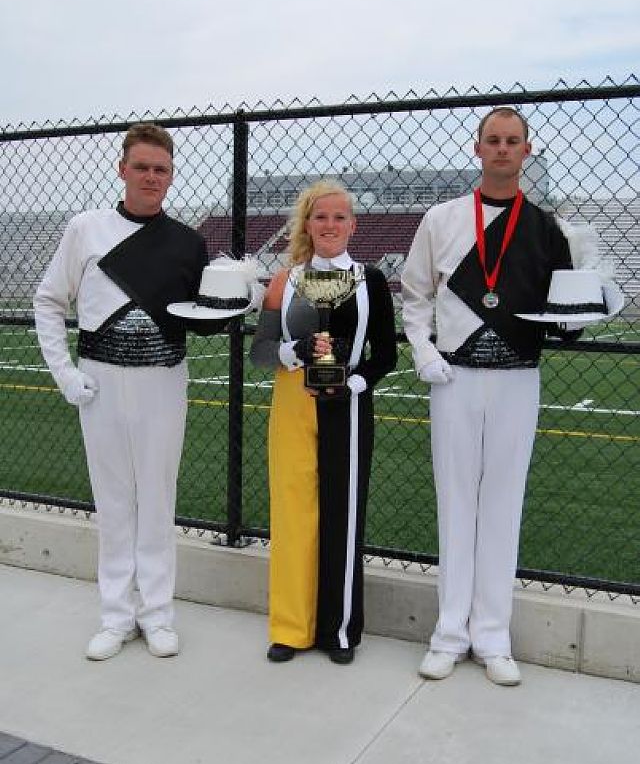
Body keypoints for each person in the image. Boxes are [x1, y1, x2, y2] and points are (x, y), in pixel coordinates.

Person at [34, 123, 232, 661]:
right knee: (114, 500)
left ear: (171, 176)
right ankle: (116, 617)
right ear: (123, 169)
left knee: (158, 499)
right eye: (141, 167)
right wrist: (65, 374)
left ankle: (158, 614)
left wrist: (240, 295)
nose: (150, 176)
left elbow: (202, 317)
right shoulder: (85, 228)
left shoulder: (188, 242)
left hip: (163, 381)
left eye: (160, 169)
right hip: (100, 381)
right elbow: (48, 301)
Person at [401, 106, 582, 686]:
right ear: (477, 148)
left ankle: (493, 636)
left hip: (518, 378)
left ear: (527, 151)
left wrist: (584, 311)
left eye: (513, 141)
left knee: (504, 504)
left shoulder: (547, 228)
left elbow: (565, 309)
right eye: (493, 140)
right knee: (455, 502)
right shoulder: (442, 218)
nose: (503, 149)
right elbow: (415, 292)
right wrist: (423, 349)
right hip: (453, 378)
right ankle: (449, 633)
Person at [250, 179, 397, 665]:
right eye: (320, 216)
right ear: (307, 225)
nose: (330, 224)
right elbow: (260, 353)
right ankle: (290, 628)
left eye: (339, 217)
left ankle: (339, 629)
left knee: (343, 513)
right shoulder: (285, 280)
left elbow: (386, 355)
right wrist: (295, 350)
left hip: (348, 403)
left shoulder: (370, 280)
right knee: (291, 513)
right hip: (292, 402)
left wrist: (351, 385)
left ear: (353, 225)